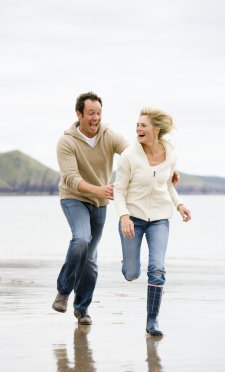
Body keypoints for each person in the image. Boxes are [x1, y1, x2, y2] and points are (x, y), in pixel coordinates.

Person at [52, 91, 129, 325]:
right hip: (73, 197)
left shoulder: (109, 136)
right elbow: (71, 179)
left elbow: (133, 155)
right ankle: (63, 291)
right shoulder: (66, 142)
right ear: (79, 114)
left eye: (99, 113)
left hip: (100, 203)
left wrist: (164, 168)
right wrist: (100, 190)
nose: (96, 118)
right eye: (91, 113)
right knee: (82, 239)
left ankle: (81, 309)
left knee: (91, 260)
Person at [114, 107, 191, 336]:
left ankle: (152, 321)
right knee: (131, 273)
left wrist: (179, 205)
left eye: (143, 125)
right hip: (132, 219)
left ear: (156, 130)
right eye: (137, 125)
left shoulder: (170, 153)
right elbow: (119, 191)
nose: (138, 128)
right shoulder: (129, 155)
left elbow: (167, 185)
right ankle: (128, 263)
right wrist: (124, 215)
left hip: (160, 219)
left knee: (157, 268)